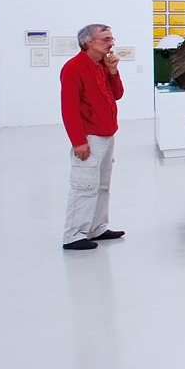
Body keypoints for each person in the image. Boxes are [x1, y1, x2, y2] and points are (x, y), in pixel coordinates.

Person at [61, 23, 125, 251]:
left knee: (102, 185)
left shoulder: (102, 65)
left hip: (107, 134)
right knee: (84, 185)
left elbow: (117, 94)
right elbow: (69, 108)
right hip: (90, 136)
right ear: (89, 42)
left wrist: (113, 71)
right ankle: (74, 235)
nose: (111, 42)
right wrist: (78, 141)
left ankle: (97, 227)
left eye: (111, 37)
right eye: (106, 39)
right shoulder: (73, 68)